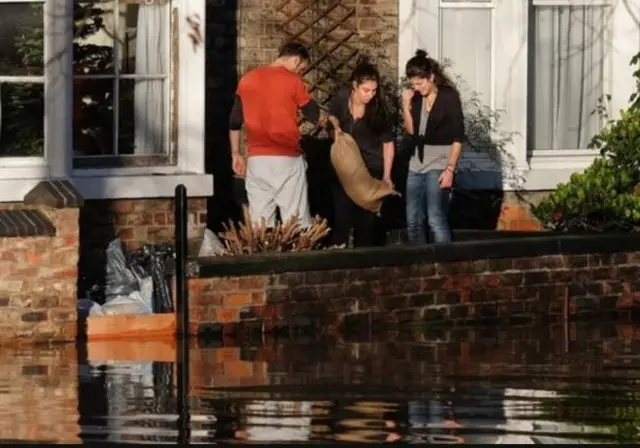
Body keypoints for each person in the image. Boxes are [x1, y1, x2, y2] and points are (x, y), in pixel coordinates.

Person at [228, 42, 322, 228]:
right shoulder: (293, 81)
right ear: (296, 60)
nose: (300, 73)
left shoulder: (247, 80)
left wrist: (235, 154)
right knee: (295, 221)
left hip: (256, 161)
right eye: (301, 69)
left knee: (261, 224)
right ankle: (296, 255)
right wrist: (328, 120)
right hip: (286, 158)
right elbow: (314, 115)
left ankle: (264, 255)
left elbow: (234, 121)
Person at [327, 58, 396, 248]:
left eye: (374, 91)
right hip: (345, 167)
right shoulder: (342, 98)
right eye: (366, 90)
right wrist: (334, 126)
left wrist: (387, 176)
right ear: (355, 86)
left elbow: (388, 144)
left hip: (371, 168)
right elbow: (331, 115)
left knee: (366, 221)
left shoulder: (379, 109)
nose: (370, 95)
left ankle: (364, 266)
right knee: (341, 215)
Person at [401, 49, 464, 244]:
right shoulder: (416, 98)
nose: (417, 87)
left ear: (431, 77)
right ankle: (420, 266)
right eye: (413, 84)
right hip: (416, 162)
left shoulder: (449, 97)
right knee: (413, 221)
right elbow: (411, 131)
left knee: (435, 218)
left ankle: (443, 264)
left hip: (440, 162)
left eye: (420, 83)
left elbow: (458, 137)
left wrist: (450, 169)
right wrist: (405, 106)